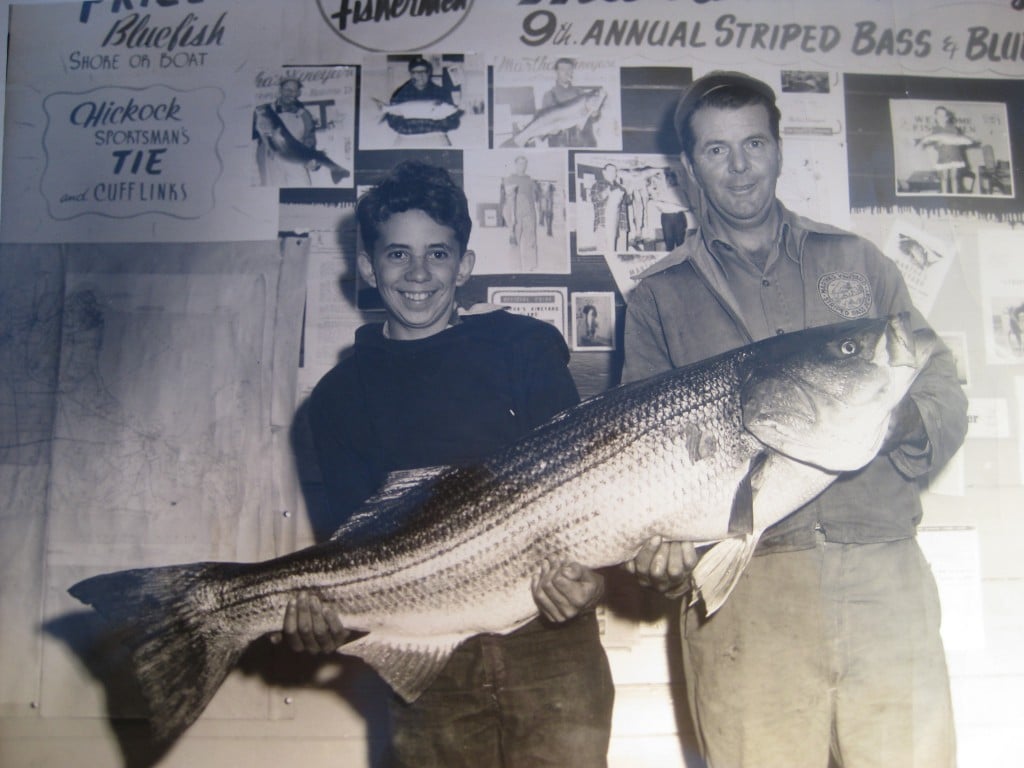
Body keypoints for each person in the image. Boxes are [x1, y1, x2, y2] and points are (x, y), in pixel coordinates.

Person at [622, 71, 968, 768]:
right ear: (686, 169)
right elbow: (637, 463)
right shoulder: (660, 298)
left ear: (780, 150)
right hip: (748, 595)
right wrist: (658, 554)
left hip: (881, 574)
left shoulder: (857, 261)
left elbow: (944, 388)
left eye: (754, 143)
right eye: (716, 151)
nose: (740, 167)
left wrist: (903, 425)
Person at [281, 160, 614, 767]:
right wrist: (327, 616)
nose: (417, 274)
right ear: (365, 266)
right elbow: (354, 549)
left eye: (437, 254)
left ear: (464, 265)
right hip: (425, 652)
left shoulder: (524, 350)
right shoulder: (336, 399)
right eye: (397, 255)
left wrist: (589, 582)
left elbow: (584, 492)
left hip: (551, 642)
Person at [252, 78, 318, 187]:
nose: (290, 93)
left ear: (298, 93)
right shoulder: (263, 110)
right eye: (287, 89)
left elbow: (309, 138)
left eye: (294, 91)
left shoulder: (304, 114)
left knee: (302, 188)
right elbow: (254, 136)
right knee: (272, 193)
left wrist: (310, 157)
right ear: (280, 90)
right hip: (271, 158)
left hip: (294, 156)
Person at [386, 57, 460, 145]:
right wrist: (407, 125)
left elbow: (454, 121)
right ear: (411, 74)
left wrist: (440, 121)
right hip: (407, 137)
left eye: (423, 71)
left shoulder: (442, 92)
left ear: (429, 73)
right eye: (416, 72)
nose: (420, 75)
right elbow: (392, 121)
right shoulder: (400, 93)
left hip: (436, 136)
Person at [916, 105, 978, 194]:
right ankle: (945, 195)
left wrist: (965, 141)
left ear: (947, 117)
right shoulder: (935, 130)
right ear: (936, 117)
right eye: (939, 115)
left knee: (954, 177)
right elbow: (936, 146)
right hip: (943, 156)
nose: (942, 117)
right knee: (944, 177)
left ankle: (955, 196)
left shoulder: (953, 128)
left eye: (944, 115)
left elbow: (958, 143)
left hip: (955, 156)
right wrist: (938, 144)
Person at [540, 58, 597, 147]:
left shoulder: (581, 93)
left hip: (584, 143)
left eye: (569, 69)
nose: (567, 72)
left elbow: (592, 119)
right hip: (560, 146)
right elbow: (543, 122)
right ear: (556, 72)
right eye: (563, 69)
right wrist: (549, 131)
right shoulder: (549, 95)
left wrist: (595, 114)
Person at [503, 155, 541, 271]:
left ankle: (531, 266)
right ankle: (515, 267)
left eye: (524, 164)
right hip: (516, 214)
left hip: (529, 213)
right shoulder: (509, 179)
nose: (522, 166)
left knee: (531, 240)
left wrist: (536, 215)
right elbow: (508, 197)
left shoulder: (530, 180)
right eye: (520, 163)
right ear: (515, 164)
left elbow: (535, 198)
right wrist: (510, 219)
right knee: (514, 240)